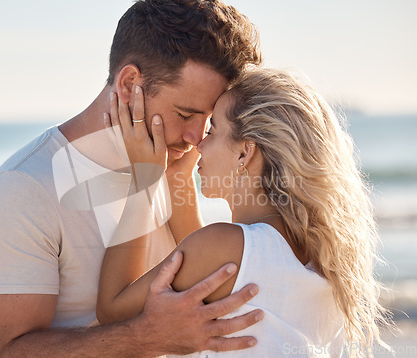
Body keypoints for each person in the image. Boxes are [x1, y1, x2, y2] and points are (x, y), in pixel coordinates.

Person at [0, 0, 264, 357]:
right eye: (185, 113)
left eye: (209, 120)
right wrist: (144, 336)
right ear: (129, 85)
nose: (197, 138)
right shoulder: (21, 191)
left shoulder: (172, 166)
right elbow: (0, 353)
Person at [97, 68, 392, 357]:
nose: (197, 143)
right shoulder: (322, 264)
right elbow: (215, 258)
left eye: (212, 130)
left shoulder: (224, 247)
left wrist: (143, 180)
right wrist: (178, 176)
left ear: (244, 152)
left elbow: (112, 309)